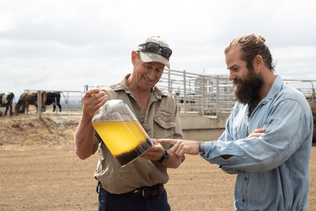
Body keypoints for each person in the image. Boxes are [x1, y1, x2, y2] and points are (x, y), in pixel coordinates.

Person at [159, 34, 313, 210]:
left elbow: (266, 156)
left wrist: (203, 147)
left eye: (235, 68)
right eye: (229, 70)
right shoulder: (241, 106)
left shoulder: (290, 103)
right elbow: (228, 165)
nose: (231, 76)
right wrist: (246, 146)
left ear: (258, 63)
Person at [74, 36, 184, 211]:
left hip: (158, 201)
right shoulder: (106, 97)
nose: (152, 75)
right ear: (134, 58)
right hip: (116, 202)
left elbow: (177, 161)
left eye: (159, 69)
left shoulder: (168, 102)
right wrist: (87, 116)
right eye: (147, 66)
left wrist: (162, 155)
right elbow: (82, 153)